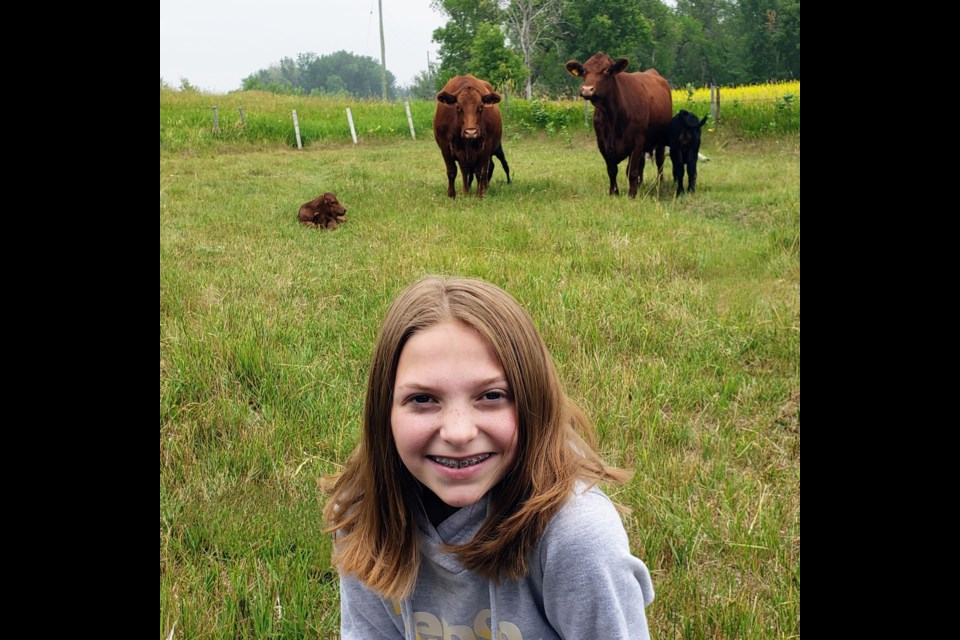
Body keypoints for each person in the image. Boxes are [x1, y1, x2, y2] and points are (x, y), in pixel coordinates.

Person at [324, 276, 654, 640]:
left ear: (534, 402)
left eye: (492, 396)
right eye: (422, 399)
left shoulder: (578, 538)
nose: (459, 432)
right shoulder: (362, 512)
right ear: (383, 411)